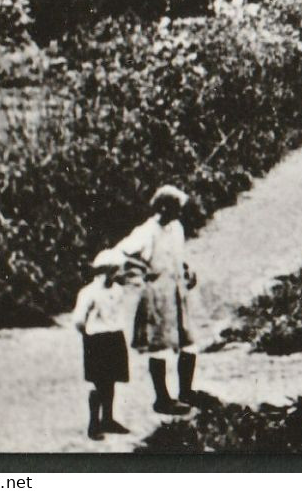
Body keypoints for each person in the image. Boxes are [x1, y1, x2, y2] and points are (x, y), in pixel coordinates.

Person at [116, 185, 197, 415]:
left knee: (188, 342)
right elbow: (122, 255)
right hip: (157, 296)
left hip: (177, 292)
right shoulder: (146, 232)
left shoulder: (176, 228)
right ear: (162, 208)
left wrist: (187, 270)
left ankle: (186, 392)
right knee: (159, 345)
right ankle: (162, 399)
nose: (178, 214)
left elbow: (178, 256)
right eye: (174, 209)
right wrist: (139, 277)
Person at [71, 248, 140, 440]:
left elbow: (117, 314)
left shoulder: (117, 291)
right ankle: (94, 424)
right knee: (99, 383)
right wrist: (87, 333)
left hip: (114, 337)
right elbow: (78, 319)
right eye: (114, 270)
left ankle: (108, 419)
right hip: (97, 339)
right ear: (104, 271)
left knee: (110, 381)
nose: (117, 274)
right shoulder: (89, 293)